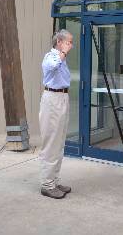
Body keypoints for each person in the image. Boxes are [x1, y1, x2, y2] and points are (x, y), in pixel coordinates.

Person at [39, 29, 73, 199]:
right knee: (51, 142)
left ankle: (55, 180)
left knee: (59, 142)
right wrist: (63, 53)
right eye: (69, 42)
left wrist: (63, 54)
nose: (71, 45)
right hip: (52, 98)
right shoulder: (50, 57)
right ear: (59, 42)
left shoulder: (61, 58)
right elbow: (52, 67)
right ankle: (47, 184)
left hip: (62, 98)